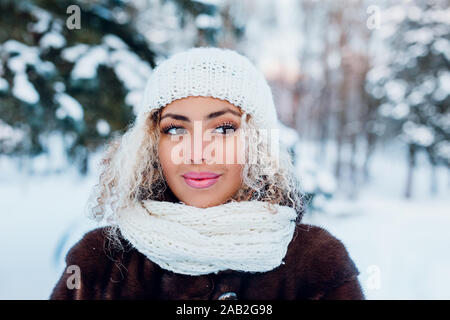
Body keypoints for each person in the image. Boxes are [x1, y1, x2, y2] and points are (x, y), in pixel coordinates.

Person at [50, 47, 365, 300]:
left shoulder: (318, 266)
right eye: (175, 128)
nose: (197, 151)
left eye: (224, 128)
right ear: (151, 144)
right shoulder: (98, 263)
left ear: (257, 142)